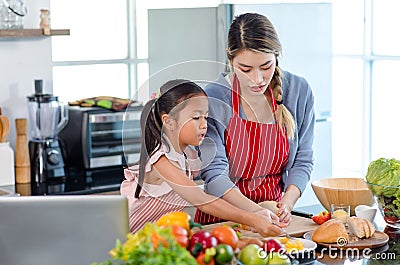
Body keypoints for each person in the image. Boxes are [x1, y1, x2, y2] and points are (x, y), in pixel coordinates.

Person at [120, 79, 283, 236]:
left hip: (162, 239)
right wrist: (252, 218)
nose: (204, 124)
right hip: (132, 242)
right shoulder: (160, 160)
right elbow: (201, 200)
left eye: (206, 117)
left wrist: (256, 212)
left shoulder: (189, 155)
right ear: (169, 122)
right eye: (196, 117)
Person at [194, 13, 315, 225]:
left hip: (275, 217)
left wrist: (287, 203)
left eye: (266, 67)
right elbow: (214, 174)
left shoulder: (299, 91)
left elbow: (302, 160)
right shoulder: (213, 98)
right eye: (245, 69)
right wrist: (254, 213)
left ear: (277, 55)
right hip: (223, 221)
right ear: (230, 58)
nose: (257, 79)